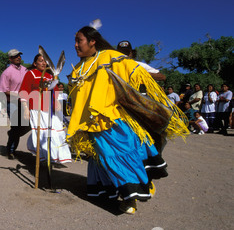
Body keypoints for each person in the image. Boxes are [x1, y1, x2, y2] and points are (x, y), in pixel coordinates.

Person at [67, 25, 188, 214]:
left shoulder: (109, 56)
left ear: (92, 42)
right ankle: (125, 194)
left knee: (129, 154)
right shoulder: (78, 70)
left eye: (79, 40)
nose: (75, 45)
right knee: (107, 159)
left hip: (114, 120)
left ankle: (135, 192)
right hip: (93, 124)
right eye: (74, 41)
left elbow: (133, 69)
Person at [19, 54, 72, 165]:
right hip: (37, 109)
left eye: (45, 61)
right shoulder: (30, 74)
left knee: (56, 133)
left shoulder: (50, 75)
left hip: (50, 110)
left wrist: (57, 101)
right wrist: (25, 108)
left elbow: (55, 91)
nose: (44, 63)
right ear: (35, 63)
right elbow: (24, 91)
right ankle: (44, 158)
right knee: (42, 134)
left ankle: (53, 157)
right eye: (41, 61)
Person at [0, 49, 30, 159]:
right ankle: (11, 150)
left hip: (24, 102)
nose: (18, 57)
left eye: (19, 55)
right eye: (15, 56)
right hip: (12, 103)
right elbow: (3, 90)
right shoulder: (6, 73)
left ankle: (12, 133)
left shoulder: (26, 70)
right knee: (16, 127)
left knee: (29, 124)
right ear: (10, 59)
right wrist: (18, 95)